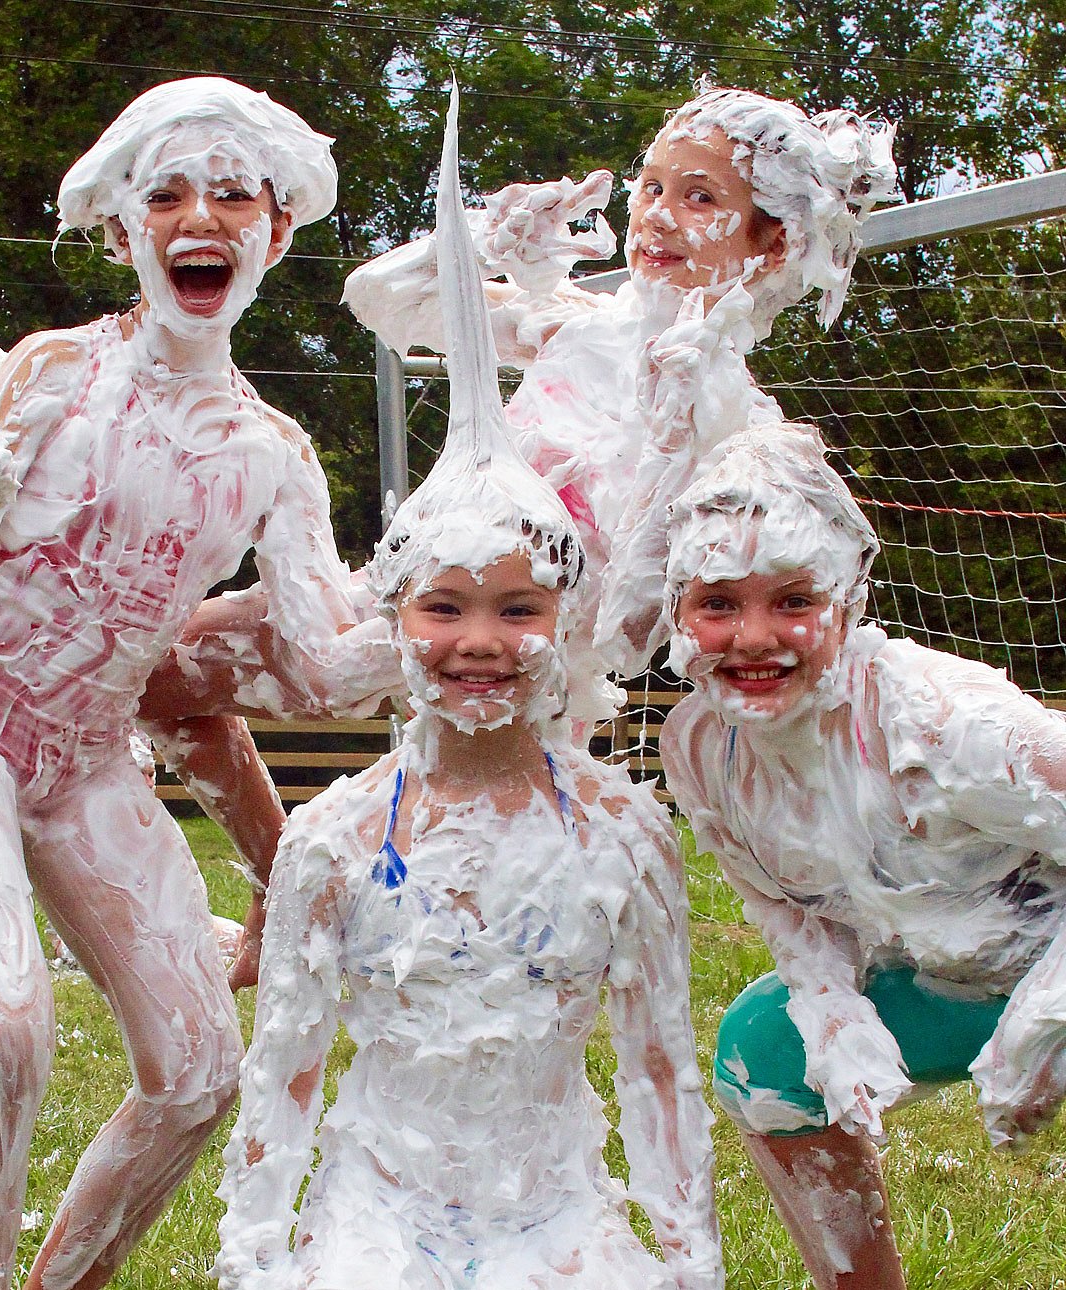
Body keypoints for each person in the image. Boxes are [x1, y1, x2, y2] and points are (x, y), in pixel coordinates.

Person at [0, 76, 399, 1290]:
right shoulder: (56, 369)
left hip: (87, 759)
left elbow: (324, 662)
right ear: (120, 231)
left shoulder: (275, 454)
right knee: (3, 1029)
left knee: (202, 1073)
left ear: (276, 232)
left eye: (233, 196)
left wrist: (448, 610)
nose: (198, 217)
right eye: (166, 196)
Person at [215, 89, 722, 1290]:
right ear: (395, 623)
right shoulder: (332, 842)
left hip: (556, 1211)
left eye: (518, 611)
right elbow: (283, 1078)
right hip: (379, 1212)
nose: (479, 643)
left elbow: (659, 1069)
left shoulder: (624, 833)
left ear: (566, 625)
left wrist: (689, 1261)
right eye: (444, 608)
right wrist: (255, 1259)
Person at [638, 422, 1066, 1290]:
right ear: (676, 614)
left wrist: (1049, 1012)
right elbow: (778, 901)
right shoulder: (700, 747)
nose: (753, 637)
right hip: (957, 978)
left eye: (794, 600)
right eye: (718, 604)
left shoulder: (937, 718)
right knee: (764, 1052)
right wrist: (829, 1004)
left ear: (849, 599)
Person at [342, 85, 896, 722]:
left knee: (296, 668)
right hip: (424, 606)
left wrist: (670, 448)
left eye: (699, 197)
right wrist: (484, 240)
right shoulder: (579, 327)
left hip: (528, 689)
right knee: (258, 653)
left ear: (774, 245)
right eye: (653, 187)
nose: (658, 215)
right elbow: (380, 299)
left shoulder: (744, 438)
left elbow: (628, 638)